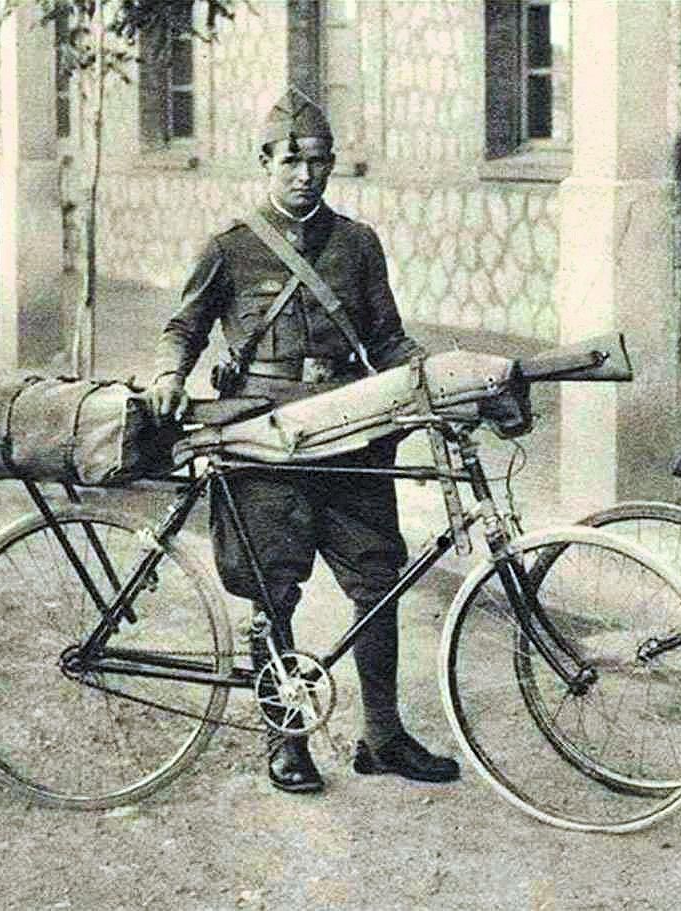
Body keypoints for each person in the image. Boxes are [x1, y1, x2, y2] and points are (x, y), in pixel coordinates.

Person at [148, 88, 459, 794]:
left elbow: (387, 338)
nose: (305, 175)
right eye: (291, 161)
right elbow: (184, 328)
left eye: (318, 162)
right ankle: (284, 740)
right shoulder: (230, 246)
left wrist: (431, 381)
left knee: (379, 577)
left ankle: (383, 734)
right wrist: (170, 373)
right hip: (263, 441)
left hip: (350, 434)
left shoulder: (357, 244)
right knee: (273, 592)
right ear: (265, 162)